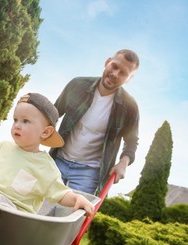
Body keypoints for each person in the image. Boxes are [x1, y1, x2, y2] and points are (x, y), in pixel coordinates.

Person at [50, 49, 140, 195]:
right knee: (40, 208)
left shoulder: (130, 107)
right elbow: (52, 114)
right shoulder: (77, 85)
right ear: (107, 62)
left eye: (123, 73)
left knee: (69, 215)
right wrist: (31, 104)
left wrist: (123, 164)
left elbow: (131, 142)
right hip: (57, 160)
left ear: (129, 79)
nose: (115, 74)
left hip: (89, 172)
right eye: (114, 66)